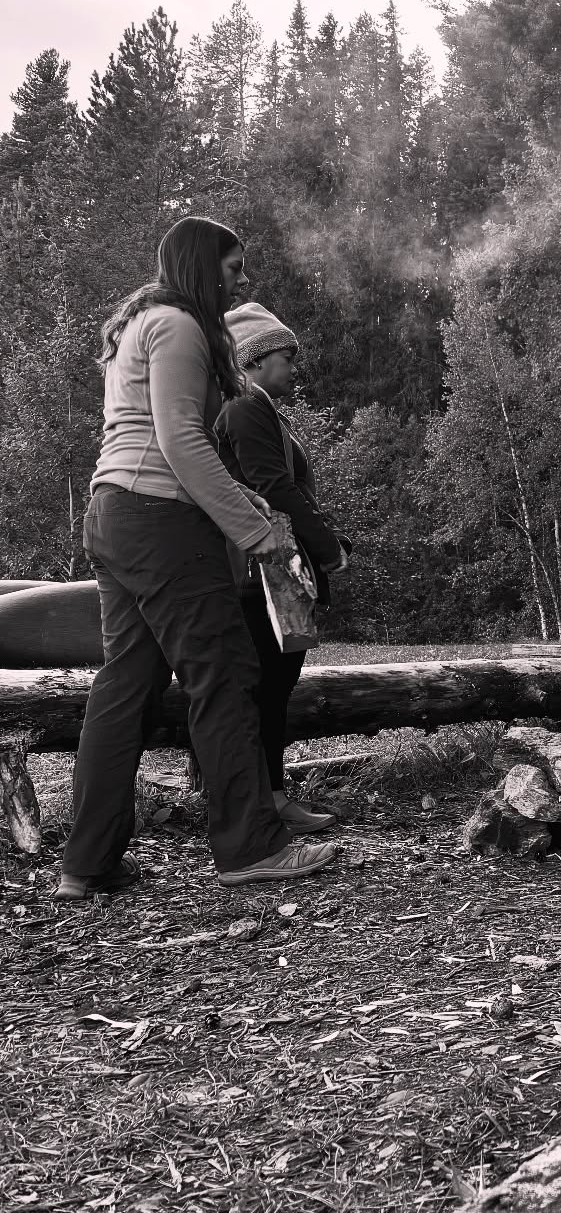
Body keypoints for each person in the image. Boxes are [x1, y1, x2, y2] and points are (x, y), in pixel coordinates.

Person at [57, 217, 339, 899]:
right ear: (200, 268)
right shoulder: (179, 325)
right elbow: (181, 441)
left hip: (114, 514)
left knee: (127, 685)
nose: (243, 281)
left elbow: (158, 440)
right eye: (234, 268)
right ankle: (250, 846)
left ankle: (87, 863)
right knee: (226, 671)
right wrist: (256, 528)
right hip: (160, 522)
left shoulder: (140, 324)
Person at [215, 302, 349, 834]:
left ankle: (269, 796)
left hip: (267, 567)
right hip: (257, 573)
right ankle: (262, 803)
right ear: (252, 360)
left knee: (273, 685)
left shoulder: (257, 406)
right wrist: (328, 549)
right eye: (286, 356)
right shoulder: (246, 407)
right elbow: (273, 488)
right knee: (265, 687)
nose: (295, 367)